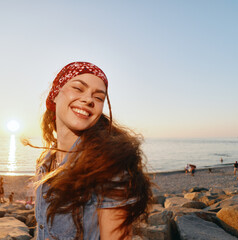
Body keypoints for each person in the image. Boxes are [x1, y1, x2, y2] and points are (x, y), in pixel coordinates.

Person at [25, 62, 152, 239]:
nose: (88, 99)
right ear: (55, 95)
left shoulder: (107, 167)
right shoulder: (45, 162)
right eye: (78, 88)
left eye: (99, 97)